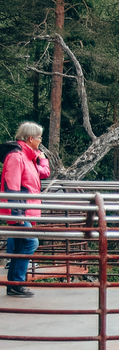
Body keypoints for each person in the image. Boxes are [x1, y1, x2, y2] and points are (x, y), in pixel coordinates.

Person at [1, 121, 50, 297]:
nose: (40, 141)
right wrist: (18, 212)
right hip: (19, 211)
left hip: (24, 210)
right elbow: (12, 185)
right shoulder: (16, 156)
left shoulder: (27, 157)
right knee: (31, 242)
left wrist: (41, 158)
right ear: (30, 138)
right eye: (39, 138)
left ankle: (14, 284)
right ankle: (16, 283)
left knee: (21, 245)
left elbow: (42, 174)